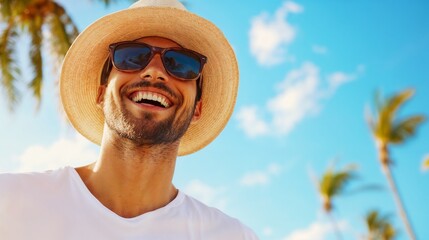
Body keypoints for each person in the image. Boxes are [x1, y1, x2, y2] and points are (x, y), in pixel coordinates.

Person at [0, 0, 259, 239]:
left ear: (197, 109)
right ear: (101, 93)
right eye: (132, 56)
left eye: (181, 64)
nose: (154, 71)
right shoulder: (9, 201)